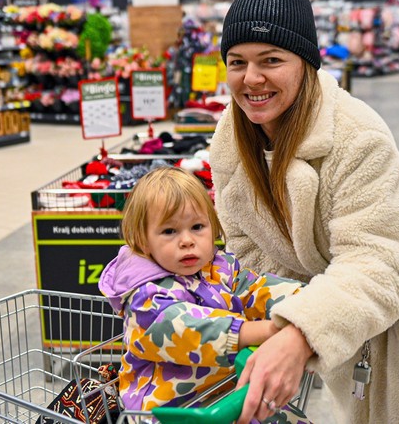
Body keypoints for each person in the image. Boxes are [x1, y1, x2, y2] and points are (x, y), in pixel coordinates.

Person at [210, 0, 399, 424]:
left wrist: (300, 333)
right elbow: (247, 248)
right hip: (343, 332)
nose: (251, 78)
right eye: (237, 62)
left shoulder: (358, 136)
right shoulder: (231, 140)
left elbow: (377, 264)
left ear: (306, 63)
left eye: (271, 60)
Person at [97, 166, 310, 423]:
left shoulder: (218, 269)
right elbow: (187, 328)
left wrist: (307, 302)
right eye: (169, 231)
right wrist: (269, 331)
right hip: (170, 411)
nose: (187, 240)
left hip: (223, 393)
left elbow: (254, 288)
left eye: (197, 226)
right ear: (144, 241)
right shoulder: (146, 299)